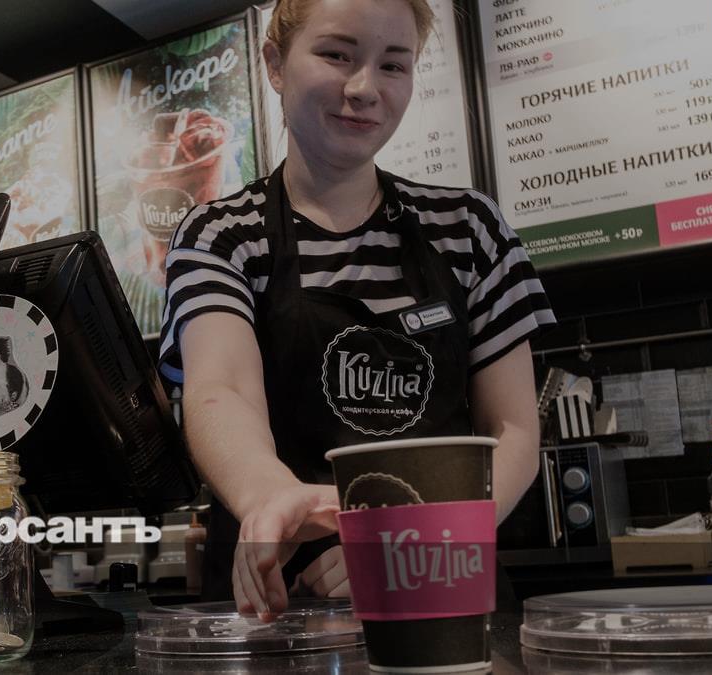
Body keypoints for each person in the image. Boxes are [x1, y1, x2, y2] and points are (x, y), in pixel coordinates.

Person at [158, 0, 556, 620]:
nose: (365, 88)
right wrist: (271, 497)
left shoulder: (469, 228)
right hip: (283, 602)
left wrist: (429, 536)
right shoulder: (221, 234)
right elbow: (222, 389)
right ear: (275, 64)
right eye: (337, 55)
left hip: (445, 592)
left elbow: (514, 431)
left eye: (393, 65)